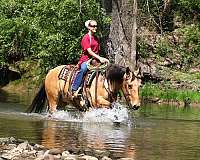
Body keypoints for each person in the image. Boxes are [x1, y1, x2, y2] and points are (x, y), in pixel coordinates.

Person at [71, 20, 109, 95]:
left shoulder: (96, 38)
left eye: (96, 26)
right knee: (83, 69)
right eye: (93, 26)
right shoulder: (86, 38)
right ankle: (74, 88)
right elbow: (90, 51)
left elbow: (97, 51)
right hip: (86, 59)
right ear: (89, 27)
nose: (95, 27)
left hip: (95, 59)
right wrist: (100, 58)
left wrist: (103, 58)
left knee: (107, 68)